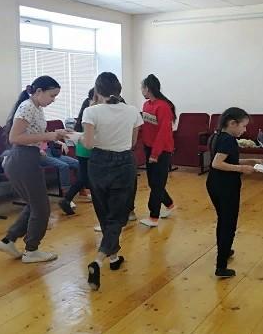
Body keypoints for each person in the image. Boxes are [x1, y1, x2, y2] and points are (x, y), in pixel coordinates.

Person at [0, 76, 68, 263]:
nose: (53, 100)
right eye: (52, 95)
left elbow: (33, 134)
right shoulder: (27, 107)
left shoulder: (36, 107)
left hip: (28, 158)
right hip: (23, 159)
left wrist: (55, 136)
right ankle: (31, 250)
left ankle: (8, 240)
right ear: (39, 92)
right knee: (41, 208)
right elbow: (15, 138)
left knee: (35, 205)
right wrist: (48, 136)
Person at [83, 72, 143, 290]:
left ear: (97, 90)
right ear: (119, 90)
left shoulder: (91, 111)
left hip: (98, 164)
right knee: (117, 217)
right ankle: (100, 259)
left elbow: (88, 144)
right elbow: (133, 142)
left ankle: (113, 257)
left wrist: (77, 136)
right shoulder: (133, 111)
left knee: (104, 213)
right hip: (124, 163)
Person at [206, 107, 263, 278]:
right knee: (228, 223)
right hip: (225, 186)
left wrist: (251, 160)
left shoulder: (217, 136)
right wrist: (242, 168)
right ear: (232, 123)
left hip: (214, 184)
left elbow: (227, 158)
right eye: (243, 126)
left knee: (223, 219)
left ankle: (224, 250)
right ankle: (221, 266)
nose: (244, 130)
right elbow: (217, 163)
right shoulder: (229, 140)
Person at [139, 74, 177, 227]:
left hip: (162, 150)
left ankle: (153, 217)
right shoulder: (146, 105)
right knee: (153, 183)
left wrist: (155, 154)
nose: (141, 90)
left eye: (142, 87)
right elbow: (146, 127)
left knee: (157, 184)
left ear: (148, 88)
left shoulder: (163, 106)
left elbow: (163, 132)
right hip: (149, 147)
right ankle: (169, 204)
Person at [58, 89, 94, 215]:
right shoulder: (90, 112)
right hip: (86, 147)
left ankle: (67, 199)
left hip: (82, 148)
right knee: (86, 177)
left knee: (84, 177)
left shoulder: (86, 110)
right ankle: (67, 199)